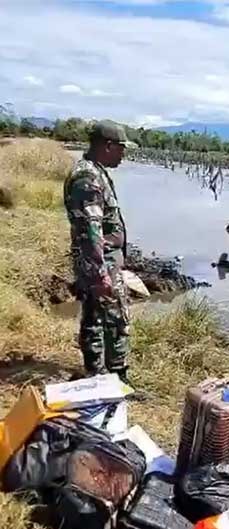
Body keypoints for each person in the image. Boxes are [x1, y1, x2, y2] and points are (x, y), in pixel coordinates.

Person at [63, 120, 137, 382]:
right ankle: (117, 378)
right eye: (121, 148)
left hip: (99, 261)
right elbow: (91, 229)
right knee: (116, 321)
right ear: (107, 146)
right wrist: (100, 272)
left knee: (95, 317)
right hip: (99, 262)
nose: (123, 154)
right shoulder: (88, 178)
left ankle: (95, 375)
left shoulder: (95, 171)